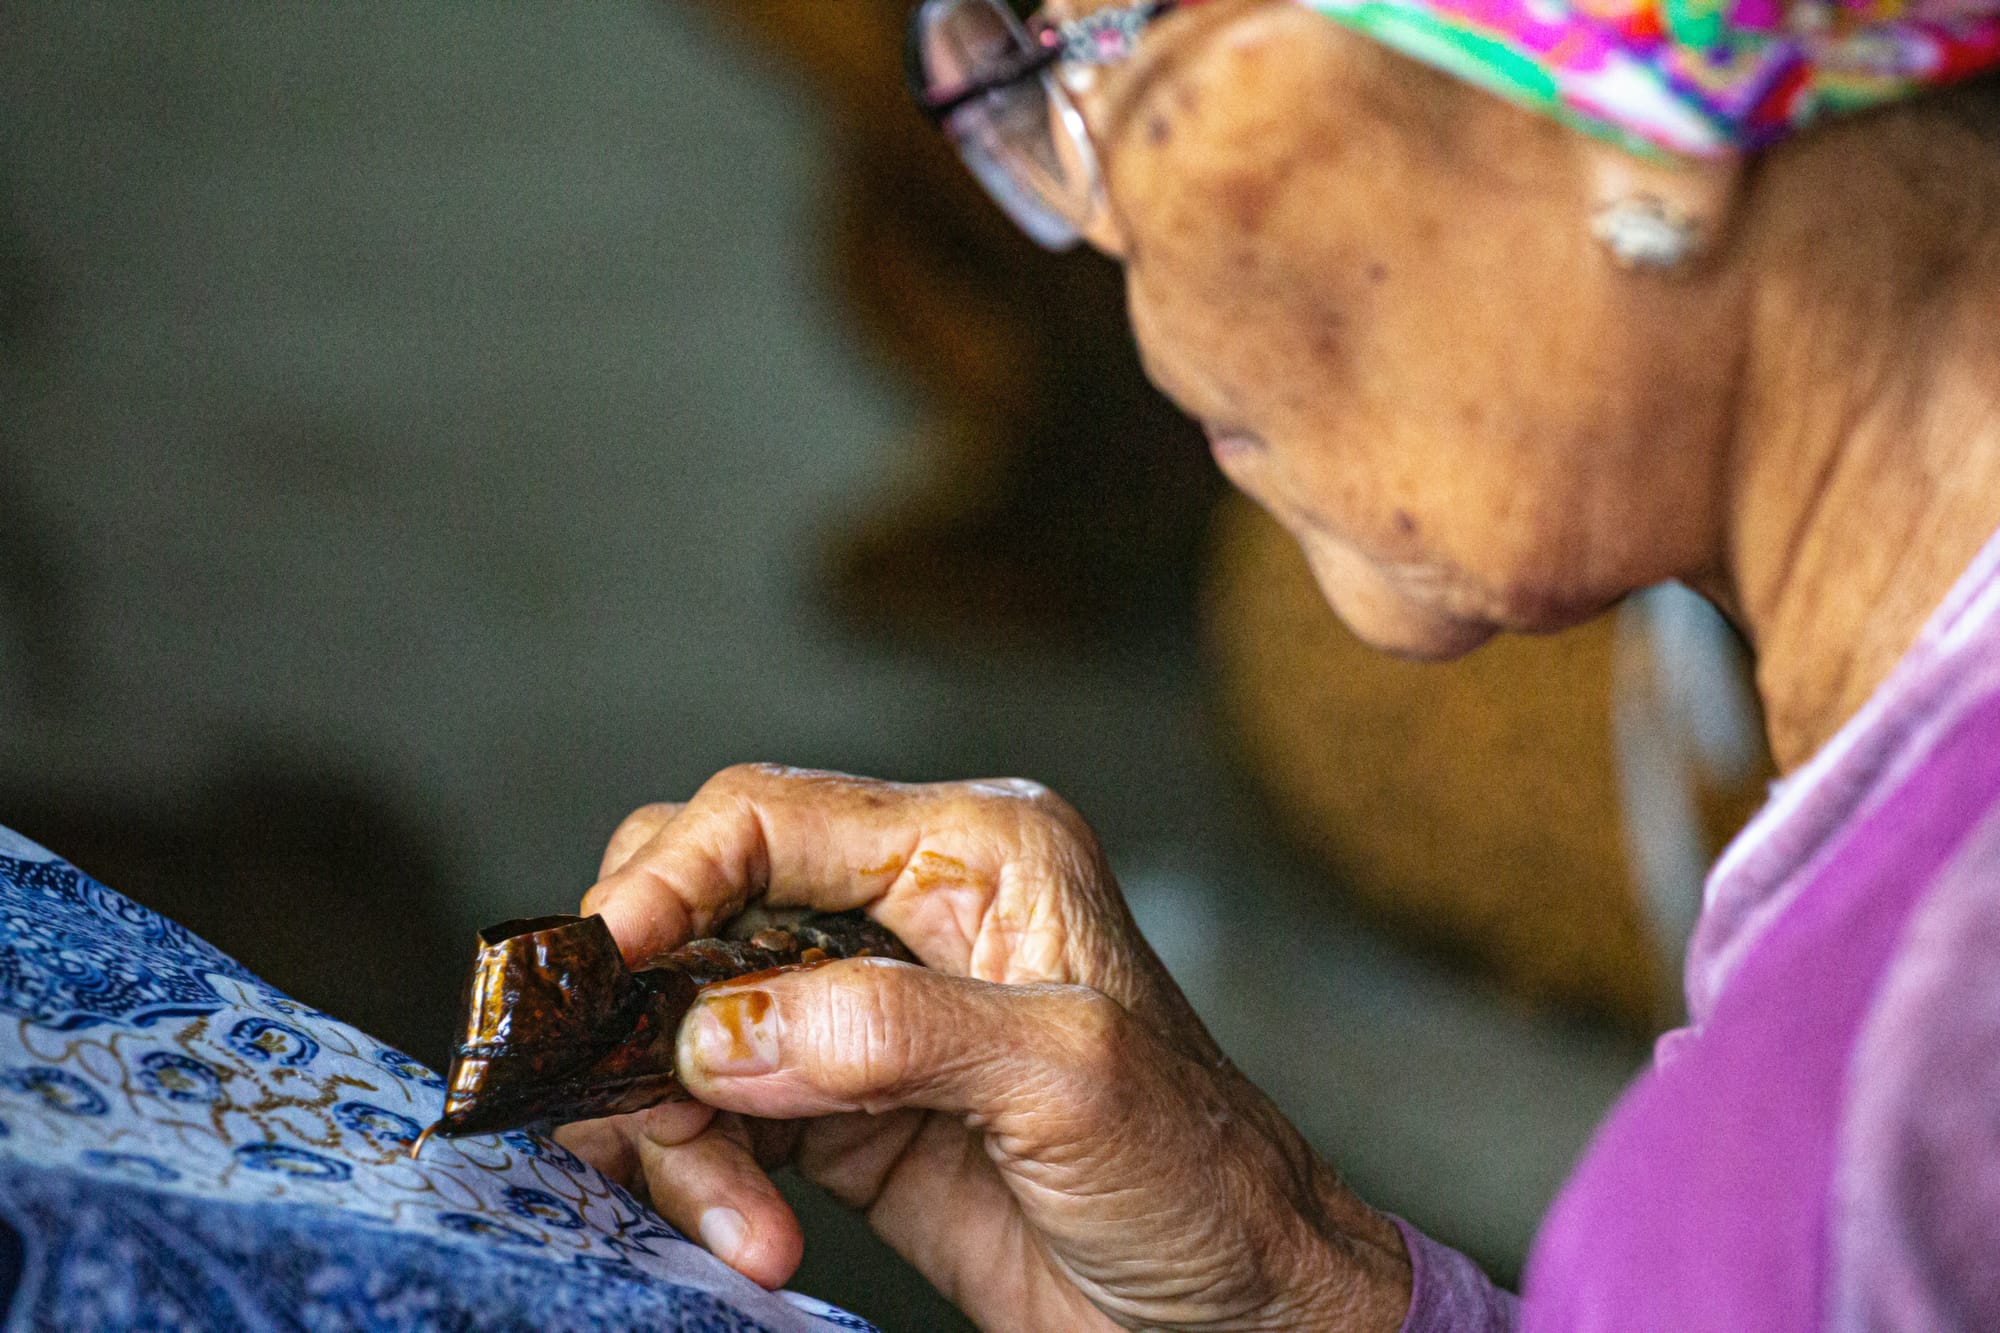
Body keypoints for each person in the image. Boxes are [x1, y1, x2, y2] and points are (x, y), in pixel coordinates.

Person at [560, 0, 2000, 1327]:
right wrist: (1299, 1286)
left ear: (1653, 93)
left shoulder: (1878, 1092)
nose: (1093, 217)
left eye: (1104, 42)